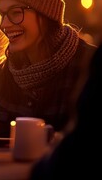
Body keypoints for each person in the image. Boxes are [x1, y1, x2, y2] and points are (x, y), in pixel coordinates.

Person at [0, 0, 96, 138]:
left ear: (46, 13)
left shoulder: (89, 67)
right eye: (1, 14)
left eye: (15, 12)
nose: (4, 24)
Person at [29, 42, 101, 179]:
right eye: (1, 19)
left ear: (48, 18)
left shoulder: (85, 59)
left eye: (15, 18)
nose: (4, 25)